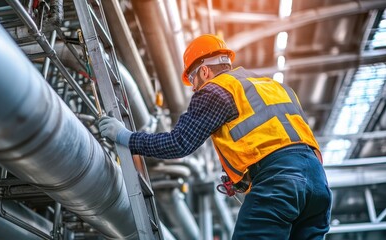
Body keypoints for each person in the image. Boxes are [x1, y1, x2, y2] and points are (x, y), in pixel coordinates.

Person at [99, 34, 332, 239]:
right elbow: (279, 140)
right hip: (318, 185)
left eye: (192, 80)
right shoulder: (275, 87)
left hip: (279, 182)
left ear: (204, 71)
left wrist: (126, 137)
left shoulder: (217, 89)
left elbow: (178, 143)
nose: (193, 88)